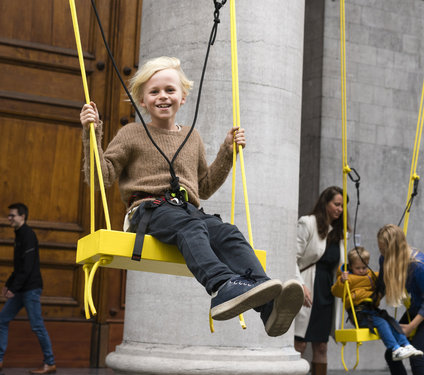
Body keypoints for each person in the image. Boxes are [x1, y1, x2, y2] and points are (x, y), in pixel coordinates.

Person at [79, 56, 304, 335]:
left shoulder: (192, 137)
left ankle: (268, 303)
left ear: (183, 97)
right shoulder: (132, 134)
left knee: (227, 232)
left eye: (170, 90)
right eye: (154, 91)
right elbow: (102, 177)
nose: (163, 96)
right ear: (143, 99)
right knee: (192, 225)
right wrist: (92, 134)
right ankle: (222, 286)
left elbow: (204, 187)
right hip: (148, 211)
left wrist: (226, 153)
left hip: (188, 212)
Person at [0, 203, 56, 374]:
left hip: (31, 289)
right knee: (2, 319)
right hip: (22, 288)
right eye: (9, 215)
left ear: (22, 216)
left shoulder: (28, 235)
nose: (9, 218)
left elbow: (27, 267)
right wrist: (8, 284)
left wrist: (14, 288)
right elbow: (19, 267)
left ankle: (50, 363)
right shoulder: (19, 235)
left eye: (12, 215)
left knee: (37, 326)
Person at [331, 246, 423, 361]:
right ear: (350, 266)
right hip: (359, 313)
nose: (361, 270)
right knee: (382, 323)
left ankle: (406, 344)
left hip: (372, 310)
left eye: (364, 267)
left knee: (391, 321)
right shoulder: (347, 278)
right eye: (357, 268)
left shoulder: (371, 275)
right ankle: (395, 349)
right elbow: (336, 292)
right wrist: (341, 281)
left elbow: (384, 278)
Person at [293, 186, 345, 375]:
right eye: (336, 204)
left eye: (342, 206)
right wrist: (300, 284)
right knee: (299, 343)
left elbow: (338, 265)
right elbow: (291, 258)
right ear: (326, 203)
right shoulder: (308, 223)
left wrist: (343, 274)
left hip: (326, 293)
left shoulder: (339, 234)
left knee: (321, 345)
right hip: (306, 287)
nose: (340, 209)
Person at [377, 224, 424, 374]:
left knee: (417, 358)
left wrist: (410, 327)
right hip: (416, 308)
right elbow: (381, 285)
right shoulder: (385, 259)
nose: (381, 253)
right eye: (380, 248)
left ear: (394, 249)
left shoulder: (418, 266)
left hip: (421, 310)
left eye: (384, 249)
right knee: (392, 355)